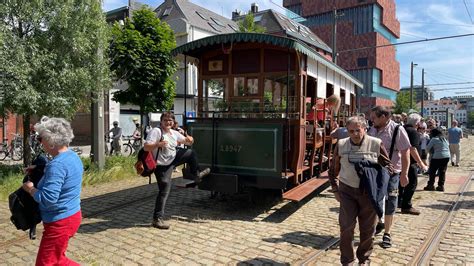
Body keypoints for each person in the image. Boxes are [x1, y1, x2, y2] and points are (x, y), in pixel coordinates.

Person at [329, 116, 393, 265]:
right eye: (351, 131)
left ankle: (364, 259)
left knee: (368, 229)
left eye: (358, 130)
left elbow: (388, 167)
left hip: (368, 193)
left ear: (365, 129)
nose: (355, 134)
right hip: (347, 191)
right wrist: (335, 190)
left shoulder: (376, 143)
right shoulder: (341, 144)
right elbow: (333, 170)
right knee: (346, 227)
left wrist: (379, 185)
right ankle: (347, 261)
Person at [22, 116, 83, 265]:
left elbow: (48, 199)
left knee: (46, 263)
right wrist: (40, 168)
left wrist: (31, 189)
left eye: (40, 138)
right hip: (71, 215)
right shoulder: (72, 156)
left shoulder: (56, 165)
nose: (40, 142)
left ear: (50, 141)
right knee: (57, 259)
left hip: (60, 222)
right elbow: (64, 176)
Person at [144, 112, 210, 230]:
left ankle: (196, 175)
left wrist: (190, 139)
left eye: (170, 120)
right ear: (161, 121)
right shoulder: (156, 131)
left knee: (190, 153)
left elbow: (188, 141)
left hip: (173, 159)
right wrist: (158, 144)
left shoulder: (174, 133)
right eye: (165, 120)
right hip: (161, 166)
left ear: (173, 122)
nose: (168, 122)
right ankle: (157, 219)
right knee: (164, 190)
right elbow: (146, 147)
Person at [368, 106, 411, 249]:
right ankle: (375, 226)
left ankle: (387, 233)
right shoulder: (372, 129)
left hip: (393, 172)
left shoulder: (398, 130)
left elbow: (405, 152)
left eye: (374, 117)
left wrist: (404, 173)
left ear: (384, 117)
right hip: (374, 170)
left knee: (391, 200)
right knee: (373, 199)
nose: (371, 120)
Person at [399, 113, 428, 215]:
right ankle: (406, 205)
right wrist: (421, 163)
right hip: (410, 162)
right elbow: (413, 149)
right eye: (420, 122)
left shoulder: (401, 128)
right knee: (412, 183)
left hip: (399, 161)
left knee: (401, 183)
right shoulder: (413, 132)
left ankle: (400, 202)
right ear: (416, 122)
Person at [424, 128, 450, 192]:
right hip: (446, 156)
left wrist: (424, 154)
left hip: (437, 157)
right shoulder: (444, 139)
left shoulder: (434, 139)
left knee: (432, 171)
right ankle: (441, 186)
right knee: (442, 171)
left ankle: (430, 185)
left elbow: (427, 148)